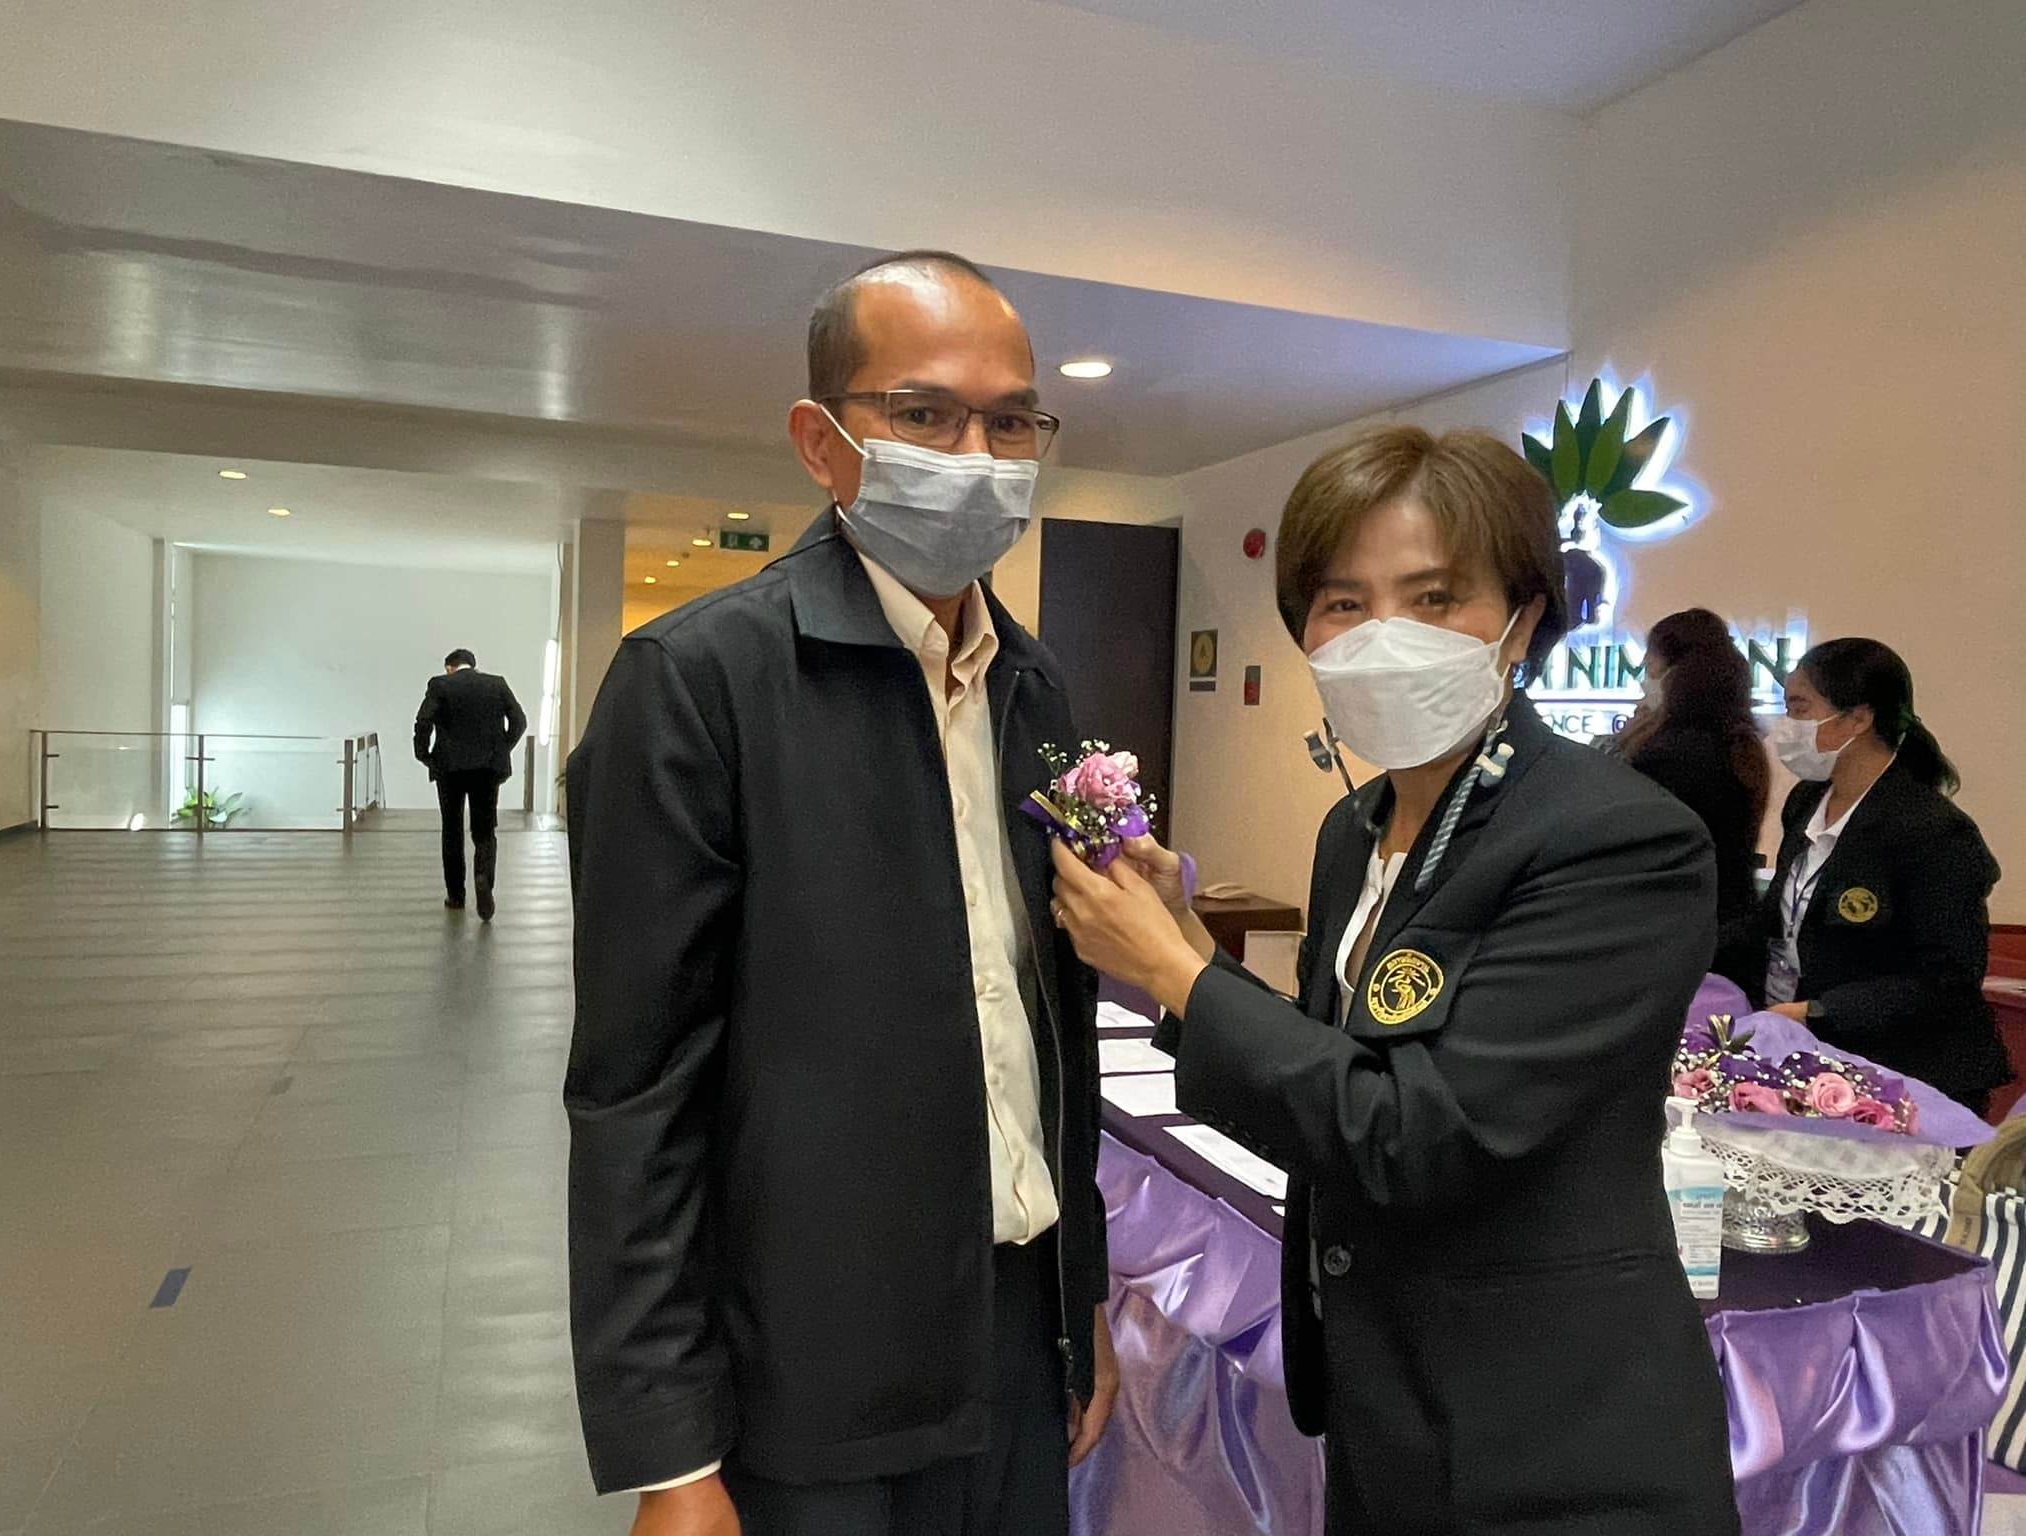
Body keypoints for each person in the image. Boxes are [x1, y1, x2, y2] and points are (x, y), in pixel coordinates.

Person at [1049, 426, 1739, 1535]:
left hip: (1553, 1433)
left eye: (1433, 599)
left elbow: (1425, 1133)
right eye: (1344, 603)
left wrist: (1177, 975)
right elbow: (1345, 1076)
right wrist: (1191, 947)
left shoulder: (1614, 837)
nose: (1384, 637)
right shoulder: (1355, 829)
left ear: (1522, 621)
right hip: (1388, 1404)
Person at [564, 251, 1115, 1536]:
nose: (975, 455)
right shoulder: (699, 684)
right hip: (810, 1360)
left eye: (1009, 422)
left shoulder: (1032, 689)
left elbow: (1049, 1032)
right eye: (923, 414)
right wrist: (668, 1447)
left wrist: (1076, 1296)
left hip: (1016, 1336)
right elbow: (636, 1090)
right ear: (822, 444)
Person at [1759, 638, 2006, 1112]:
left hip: (1908, 1072)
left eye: (1799, 708)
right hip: (1815, 1057)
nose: (1786, 725)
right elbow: (1776, 923)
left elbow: (1948, 978)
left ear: (1858, 718)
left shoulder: (1933, 831)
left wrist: (1819, 1012)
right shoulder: (1807, 801)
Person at [1617, 608, 1771, 989]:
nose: (1644, 680)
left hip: (1678, 947)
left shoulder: (1670, 755)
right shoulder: (1737, 744)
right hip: (1728, 937)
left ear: (1675, 673)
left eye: (1649, 666)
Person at [412, 647, 525, 919]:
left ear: (449, 667)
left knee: (451, 829)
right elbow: (519, 721)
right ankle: (483, 878)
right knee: (484, 830)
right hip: (487, 768)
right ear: (473, 665)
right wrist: (501, 749)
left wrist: (424, 754)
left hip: (449, 768)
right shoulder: (496, 684)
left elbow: (423, 720)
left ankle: (456, 895)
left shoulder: (439, 685)